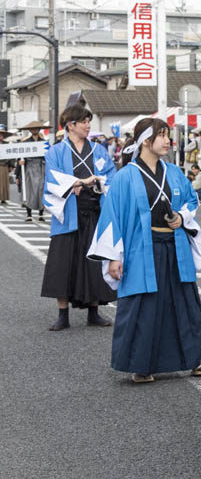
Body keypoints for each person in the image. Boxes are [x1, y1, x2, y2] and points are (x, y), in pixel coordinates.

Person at [88, 117, 201, 383]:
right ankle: (141, 364)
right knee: (144, 306)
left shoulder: (174, 172)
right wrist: (112, 257)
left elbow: (190, 200)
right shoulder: (125, 177)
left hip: (175, 247)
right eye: (162, 135)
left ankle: (194, 359)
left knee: (185, 302)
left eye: (168, 135)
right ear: (145, 140)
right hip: (141, 249)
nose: (168, 141)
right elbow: (112, 217)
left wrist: (182, 217)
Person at [41, 104, 117, 331]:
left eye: (88, 121)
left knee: (94, 262)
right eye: (84, 121)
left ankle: (94, 311)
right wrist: (78, 182)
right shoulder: (56, 151)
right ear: (71, 125)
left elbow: (109, 175)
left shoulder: (99, 150)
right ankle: (62, 314)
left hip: (94, 210)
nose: (88, 126)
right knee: (64, 262)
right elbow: (53, 180)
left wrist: (96, 182)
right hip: (68, 213)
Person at [19, 134, 47, 222]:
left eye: (36, 129)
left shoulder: (44, 142)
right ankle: (29, 215)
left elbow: (48, 155)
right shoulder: (26, 142)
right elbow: (21, 156)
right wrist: (21, 162)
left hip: (41, 167)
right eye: (33, 129)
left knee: (41, 190)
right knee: (29, 191)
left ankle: (41, 214)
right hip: (29, 168)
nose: (34, 130)